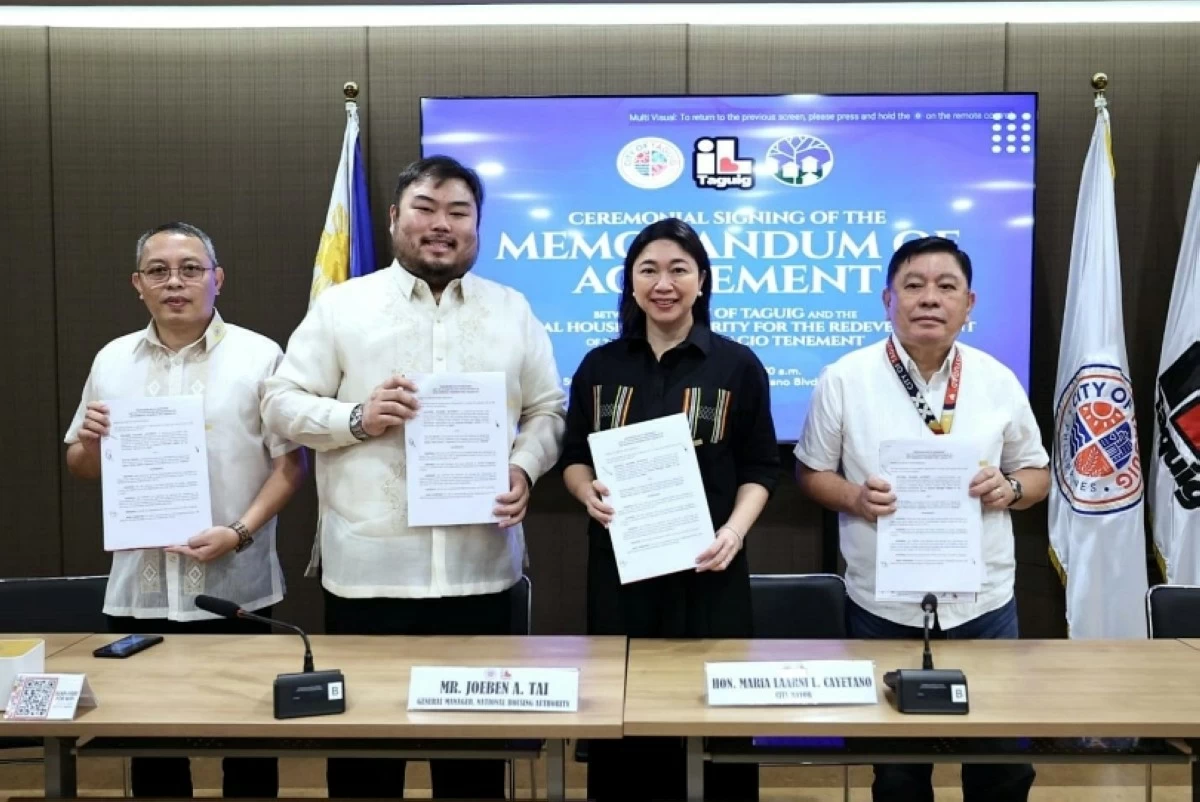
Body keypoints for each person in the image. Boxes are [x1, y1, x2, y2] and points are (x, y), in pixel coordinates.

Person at [261, 155, 565, 799]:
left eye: (459, 212)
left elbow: (548, 410)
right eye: (425, 208)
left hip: (482, 572)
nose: (441, 224)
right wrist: (356, 416)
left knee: (474, 771)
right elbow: (280, 403)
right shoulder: (343, 306)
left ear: (477, 226)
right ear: (396, 217)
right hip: (371, 575)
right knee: (366, 768)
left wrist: (524, 465)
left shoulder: (512, 310)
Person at [795, 235, 1050, 802]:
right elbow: (810, 474)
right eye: (913, 285)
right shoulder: (845, 378)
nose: (929, 298)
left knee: (1003, 769)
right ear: (888, 299)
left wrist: (1009, 488)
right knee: (896, 774)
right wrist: (856, 498)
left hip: (983, 607)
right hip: (883, 606)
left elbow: (1038, 473)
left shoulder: (997, 380)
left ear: (969, 303)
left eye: (946, 286)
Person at [64, 222, 306, 799]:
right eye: (159, 271)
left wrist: (240, 532)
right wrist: (91, 443)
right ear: (138, 284)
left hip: (236, 587)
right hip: (141, 592)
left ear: (217, 279)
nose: (175, 282)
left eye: (191, 269)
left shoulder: (260, 356)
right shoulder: (112, 359)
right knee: (153, 757)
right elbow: (81, 464)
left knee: (250, 756)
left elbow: (291, 466)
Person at [560, 218, 779, 801]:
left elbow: (762, 467)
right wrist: (585, 491)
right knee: (627, 729)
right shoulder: (599, 367)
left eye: (679, 269)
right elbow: (574, 457)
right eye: (649, 270)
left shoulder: (737, 366)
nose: (664, 283)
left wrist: (734, 532)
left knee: (716, 728)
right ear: (630, 283)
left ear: (701, 280)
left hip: (710, 575)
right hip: (621, 578)